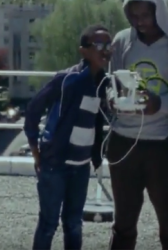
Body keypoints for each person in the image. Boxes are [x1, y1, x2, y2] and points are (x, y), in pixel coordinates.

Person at [106, 0, 168, 249]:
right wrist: (114, 99)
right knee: (123, 225)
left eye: (145, 15)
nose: (140, 22)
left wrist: (161, 104)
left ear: (159, 9)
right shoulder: (122, 40)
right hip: (123, 143)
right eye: (133, 16)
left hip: (164, 145)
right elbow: (110, 84)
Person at [23, 24, 112, 250]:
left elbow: (102, 119)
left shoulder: (104, 82)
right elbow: (33, 110)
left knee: (74, 223)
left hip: (81, 166)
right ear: (84, 50)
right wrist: (36, 152)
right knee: (48, 224)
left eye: (109, 45)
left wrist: (97, 155)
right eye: (99, 45)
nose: (106, 51)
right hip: (55, 164)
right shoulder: (67, 79)